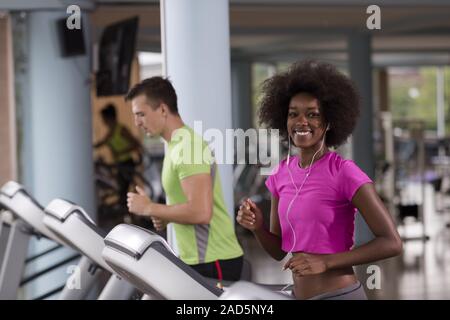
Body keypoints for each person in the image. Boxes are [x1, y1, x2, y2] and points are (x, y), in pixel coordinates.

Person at [236, 60, 403, 300]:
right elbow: (277, 251)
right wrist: (258, 227)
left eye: (312, 114)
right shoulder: (281, 174)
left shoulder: (344, 172)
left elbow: (392, 242)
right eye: (293, 114)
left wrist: (326, 262)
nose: (302, 122)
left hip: (339, 294)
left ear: (328, 122)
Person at [125, 77, 244, 283]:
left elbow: (201, 212)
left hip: (215, 259)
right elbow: (188, 205)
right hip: (198, 258)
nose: (137, 122)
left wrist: (149, 208)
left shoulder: (188, 147)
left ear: (163, 109)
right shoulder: (175, 145)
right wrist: (166, 215)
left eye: (141, 114)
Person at [94, 103, 142, 208]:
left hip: (127, 163)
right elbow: (100, 144)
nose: (103, 121)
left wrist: (121, 152)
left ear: (109, 118)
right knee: (119, 190)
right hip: (120, 164)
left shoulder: (121, 129)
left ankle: (126, 215)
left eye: (104, 118)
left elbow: (136, 144)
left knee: (122, 192)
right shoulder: (110, 132)